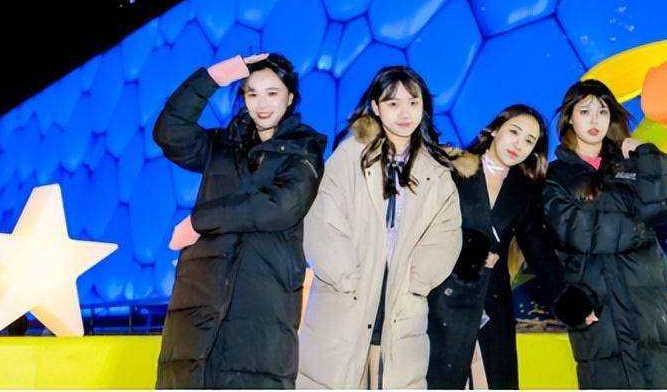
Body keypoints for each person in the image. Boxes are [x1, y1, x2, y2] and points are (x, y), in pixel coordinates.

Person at [154, 53, 326, 389]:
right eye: (252, 93)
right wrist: (213, 77)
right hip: (200, 298)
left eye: (272, 93)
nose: (262, 103)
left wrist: (199, 221)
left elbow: (280, 206)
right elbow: (169, 133)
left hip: (262, 300)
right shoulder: (221, 145)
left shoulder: (304, 150)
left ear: (290, 98)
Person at [297, 66, 462, 389]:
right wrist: (346, 276)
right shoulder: (350, 155)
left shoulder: (436, 171)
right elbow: (322, 218)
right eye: (393, 103)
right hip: (347, 296)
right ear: (375, 107)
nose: (404, 112)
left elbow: (446, 233)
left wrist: (417, 282)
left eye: (413, 103)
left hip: (401, 301)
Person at [543, 79, 667, 389]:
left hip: (646, 300)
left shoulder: (630, 165)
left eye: (602, 111)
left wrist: (648, 157)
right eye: (585, 112)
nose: (594, 120)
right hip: (597, 304)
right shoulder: (555, 176)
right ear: (569, 118)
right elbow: (576, 231)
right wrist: (638, 226)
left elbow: (662, 210)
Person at [427, 104, 584, 389]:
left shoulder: (524, 191)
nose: (518, 144)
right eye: (514, 131)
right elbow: (425, 229)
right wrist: (466, 251)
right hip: (443, 298)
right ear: (494, 129)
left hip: (493, 303)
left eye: (529, 140)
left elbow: (538, 250)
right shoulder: (452, 168)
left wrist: (568, 300)